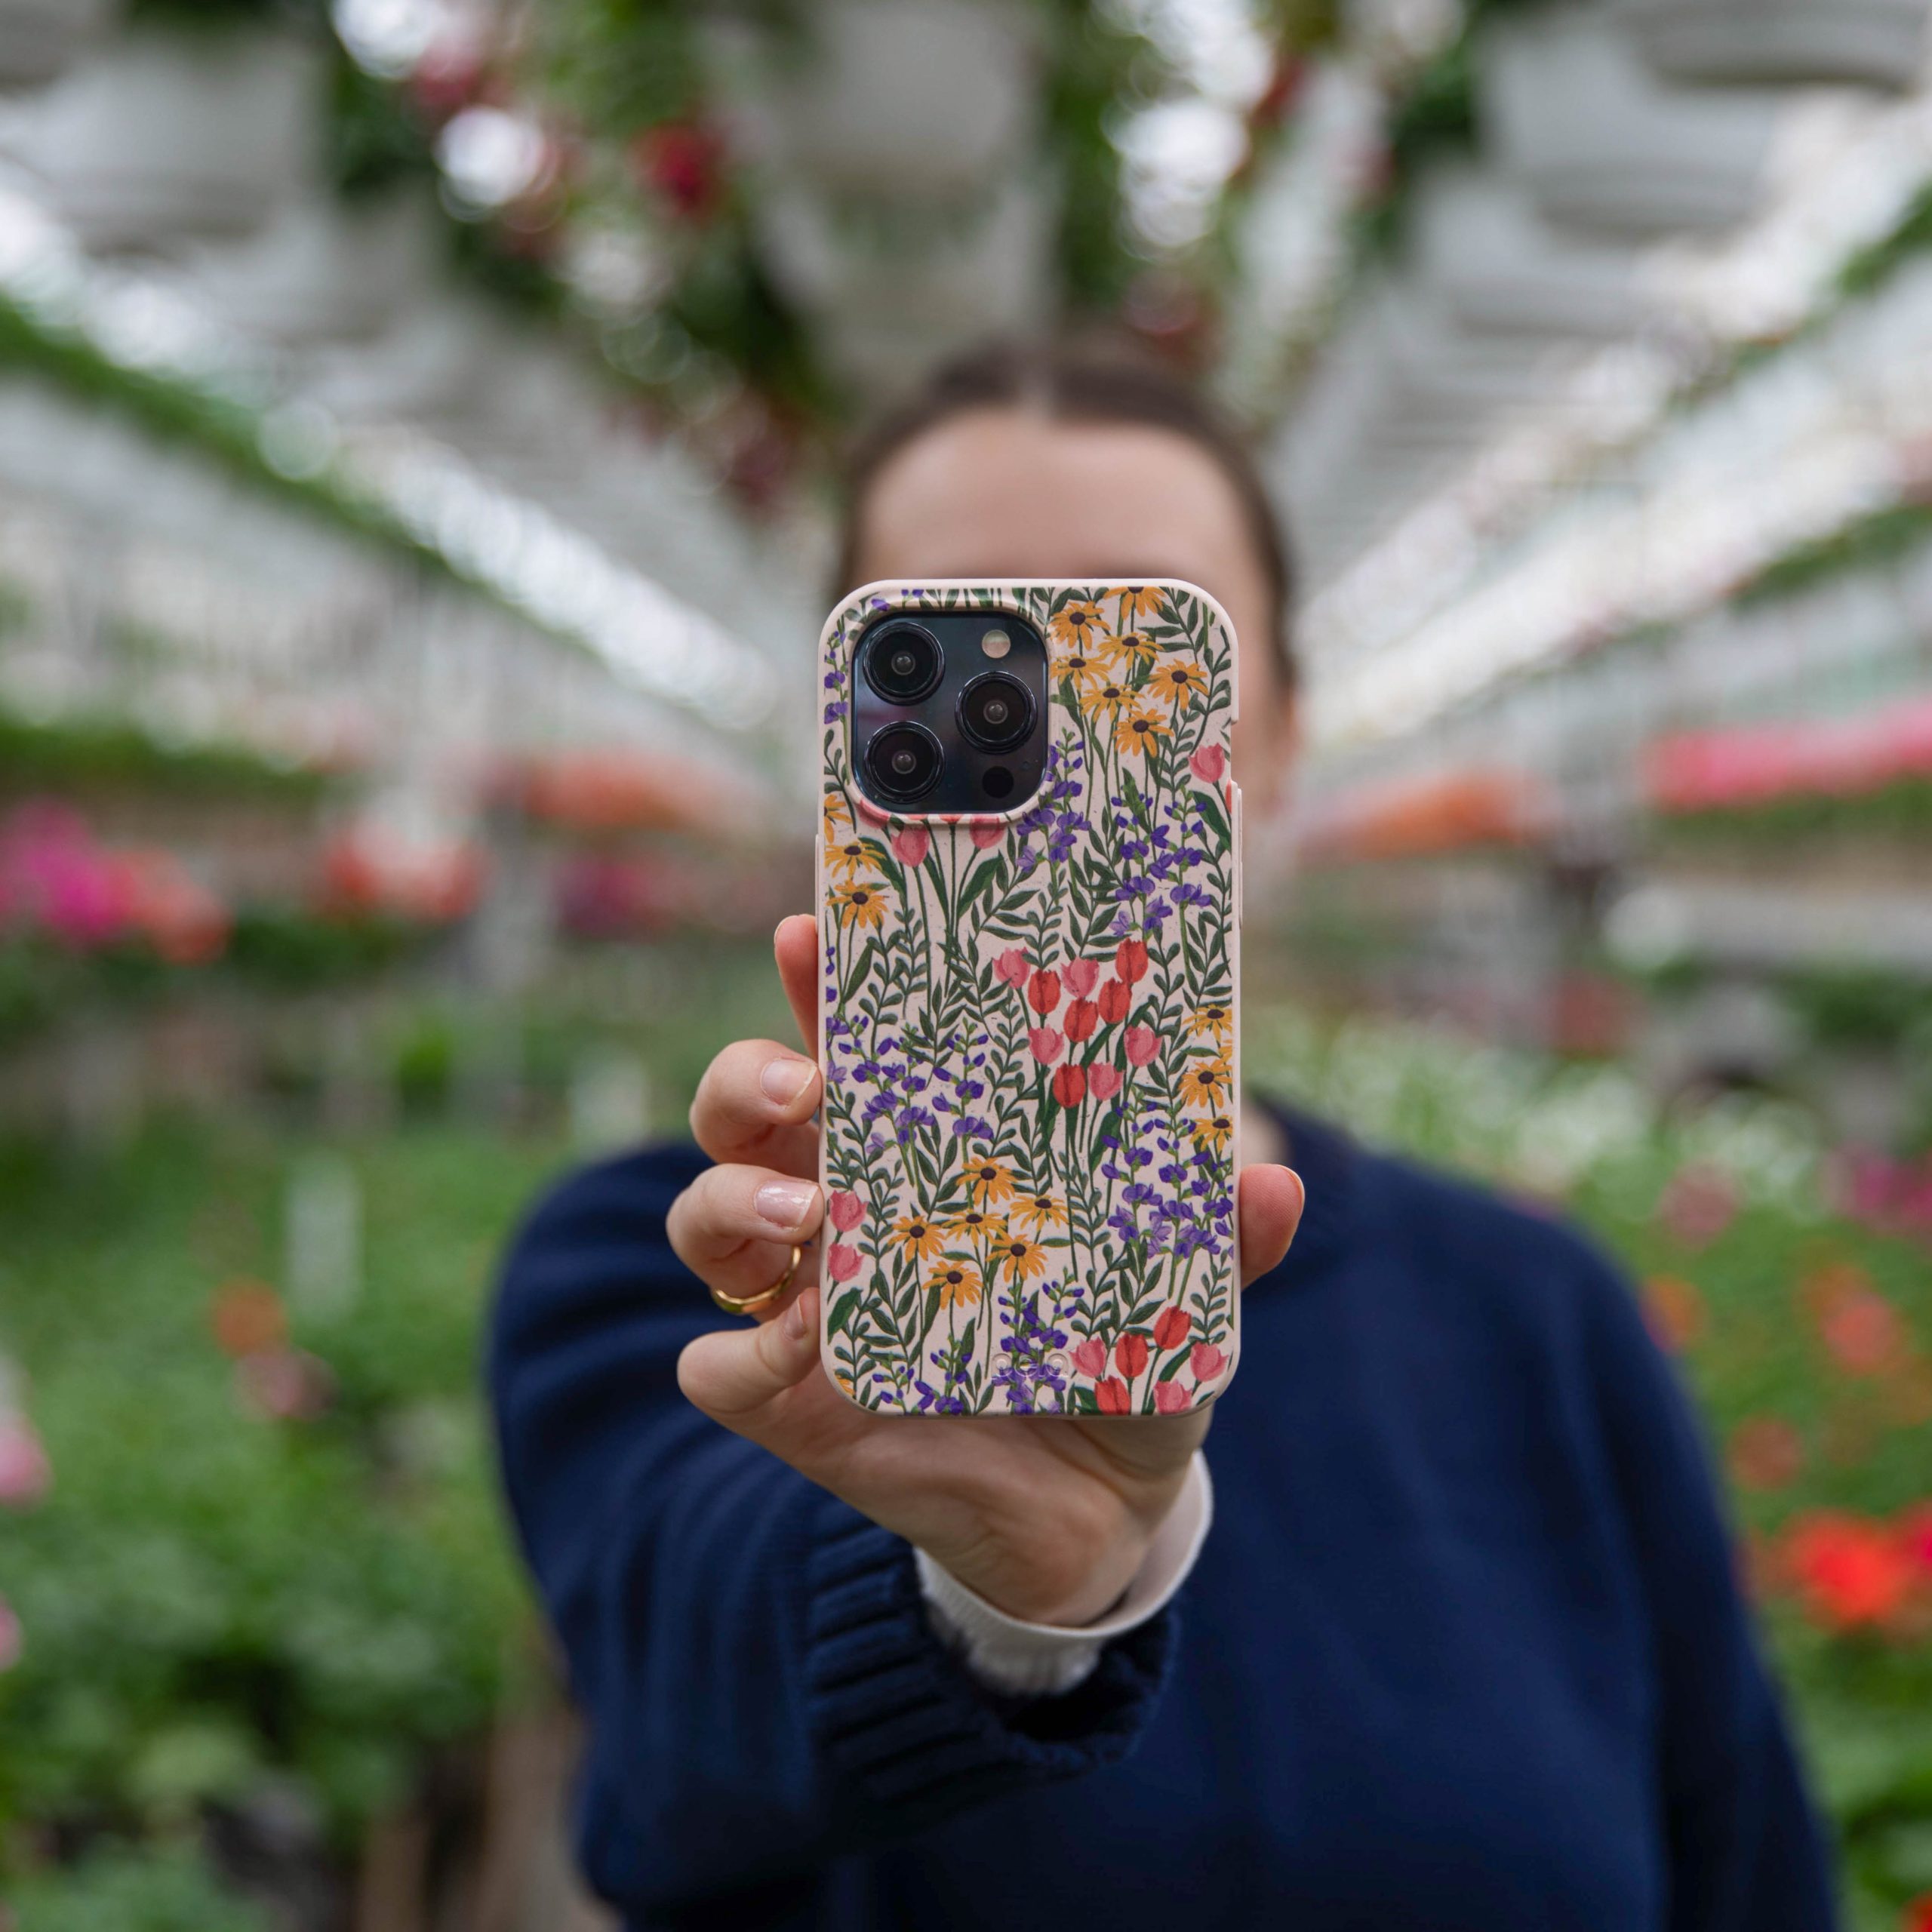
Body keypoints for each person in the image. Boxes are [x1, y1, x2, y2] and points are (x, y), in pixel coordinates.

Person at [490, 338, 1835, 1930]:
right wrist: (989, 1595)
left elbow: (1742, 1870)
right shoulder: (681, 1264)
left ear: (1274, 732)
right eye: (964, 631)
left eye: (1131, 634)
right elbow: (675, 1718)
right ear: (838, 734)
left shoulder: (1536, 1316)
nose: (1046, 710)